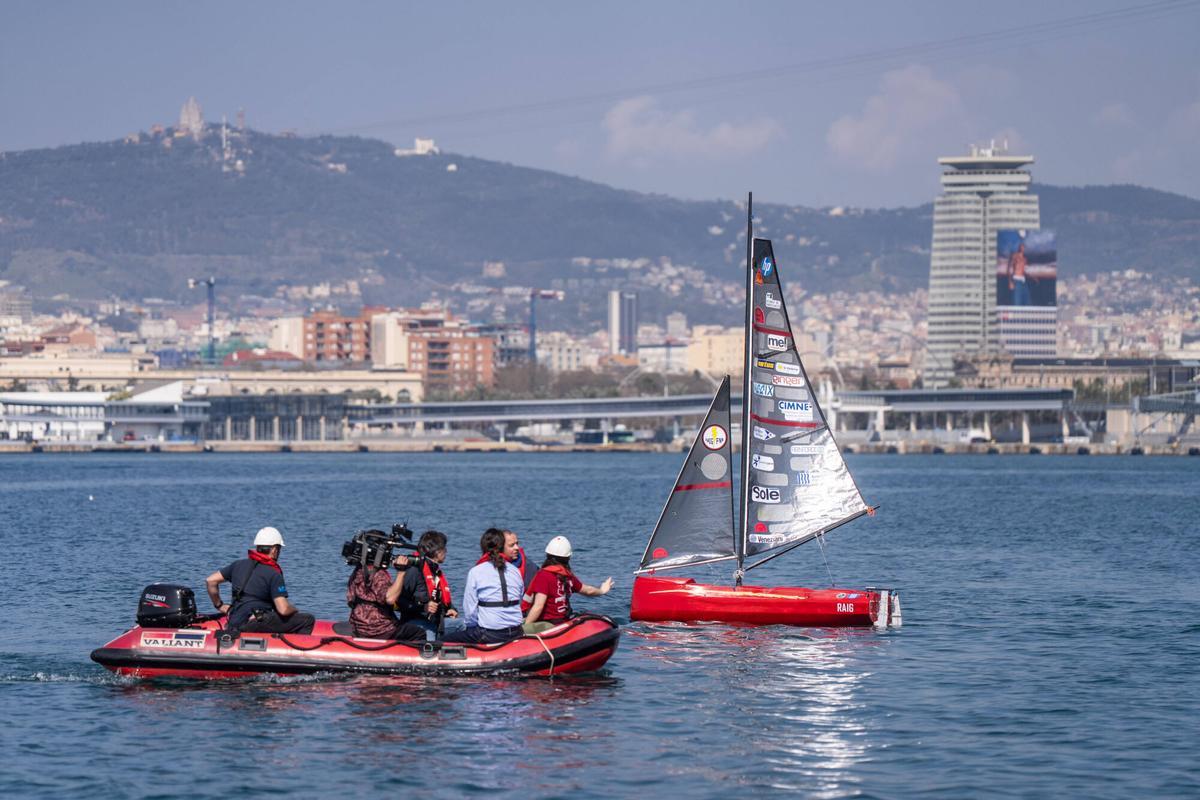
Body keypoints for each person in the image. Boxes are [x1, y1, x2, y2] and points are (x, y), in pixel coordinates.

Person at [206, 526, 315, 635]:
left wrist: (219, 605)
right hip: (255, 623)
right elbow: (283, 609)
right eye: (279, 549)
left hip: (235, 622)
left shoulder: (237, 565)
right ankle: (294, 649)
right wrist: (294, 609)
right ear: (274, 550)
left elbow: (211, 581)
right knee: (307, 620)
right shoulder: (273, 573)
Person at [444, 528, 524, 644]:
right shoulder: (515, 571)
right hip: (516, 632)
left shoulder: (476, 572)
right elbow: (519, 598)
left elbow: (470, 610)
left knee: (442, 641)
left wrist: (472, 627)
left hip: (490, 634)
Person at [521, 536, 613, 634]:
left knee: (514, 630)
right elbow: (588, 590)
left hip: (547, 625)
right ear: (568, 558)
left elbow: (538, 606)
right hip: (562, 622)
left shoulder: (543, 575)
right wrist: (602, 590)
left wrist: (526, 627)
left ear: (547, 554)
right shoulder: (568, 576)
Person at [345, 545, 428, 641]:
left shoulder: (357, 572)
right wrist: (401, 571)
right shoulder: (379, 574)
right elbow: (390, 599)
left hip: (358, 627)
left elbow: (350, 599)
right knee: (418, 633)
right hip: (381, 630)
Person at [394, 530, 465, 641]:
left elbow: (441, 599)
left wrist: (451, 609)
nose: (446, 552)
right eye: (444, 549)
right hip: (416, 622)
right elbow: (398, 601)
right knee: (430, 638)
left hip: (437, 621)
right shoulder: (414, 570)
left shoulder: (436, 571)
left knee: (463, 624)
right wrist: (423, 607)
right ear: (436, 552)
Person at [1007, 241, 1032, 306]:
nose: (1022, 247)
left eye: (1024, 246)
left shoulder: (1025, 259)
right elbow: (1009, 268)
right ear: (1019, 247)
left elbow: (1023, 271)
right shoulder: (1015, 255)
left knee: (1027, 303)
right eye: (1021, 246)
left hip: (1024, 282)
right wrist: (1010, 282)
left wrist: (1033, 277)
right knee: (1017, 303)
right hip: (1016, 281)